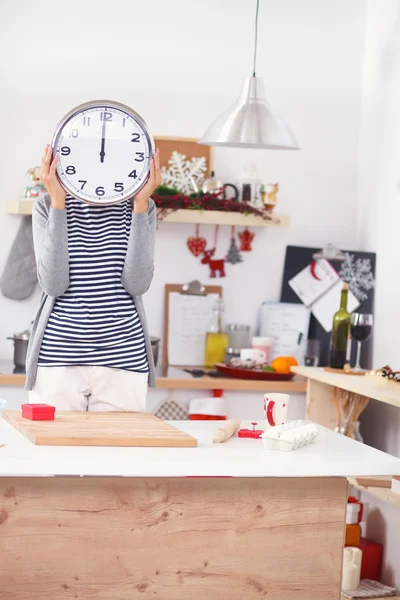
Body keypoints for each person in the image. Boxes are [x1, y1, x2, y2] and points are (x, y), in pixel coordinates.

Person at [25, 144, 161, 412]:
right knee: (52, 453)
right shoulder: (46, 205)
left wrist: (140, 204)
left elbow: (138, 284)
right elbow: (54, 284)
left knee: (119, 453)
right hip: (57, 358)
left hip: (123, 358)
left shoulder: (142, 207)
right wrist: (58, 203)